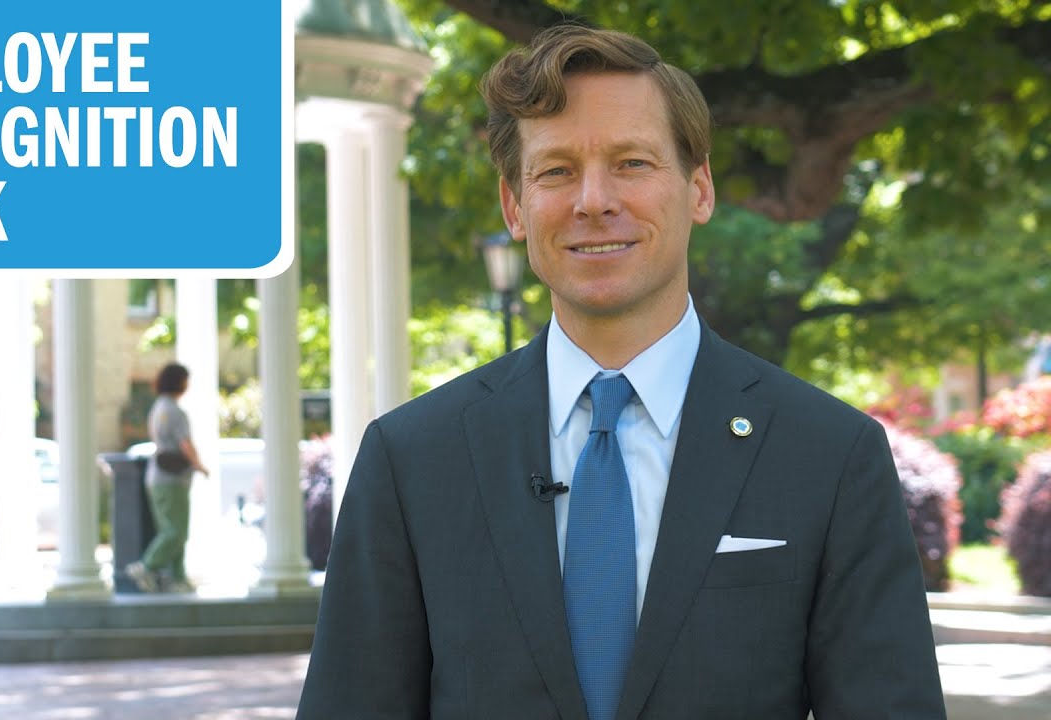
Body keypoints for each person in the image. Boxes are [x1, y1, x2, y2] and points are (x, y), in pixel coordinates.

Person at [297, 24, 945, 719]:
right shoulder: (411, 461)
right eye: (556, 171)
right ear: (515, 207)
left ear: (698, 190)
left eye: (632, 163)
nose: (594, 200)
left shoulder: (830, 454)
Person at [127, 362, 209, 594]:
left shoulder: (158, 408)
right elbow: (185, 443)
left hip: (157, 477)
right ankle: (147, 565)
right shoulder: (174, 410)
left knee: (173, 528)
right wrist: (199, 465)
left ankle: (178, 578)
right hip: (172, 479)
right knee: (176, 531)